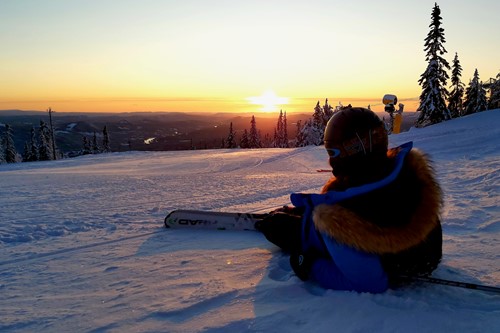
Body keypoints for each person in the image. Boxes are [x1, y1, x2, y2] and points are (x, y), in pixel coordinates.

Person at [256, 106, 443, 293]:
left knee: (281, 229)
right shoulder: (406, 178)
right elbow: (368, 200)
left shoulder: (345, 220)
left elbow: (367, 283)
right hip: (414, 255)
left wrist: (307, 262)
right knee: (297, 222)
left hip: (346, 248)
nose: (331, 161)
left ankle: (292, 227)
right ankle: (298, 221)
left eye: (334, 153)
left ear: (356, 149)